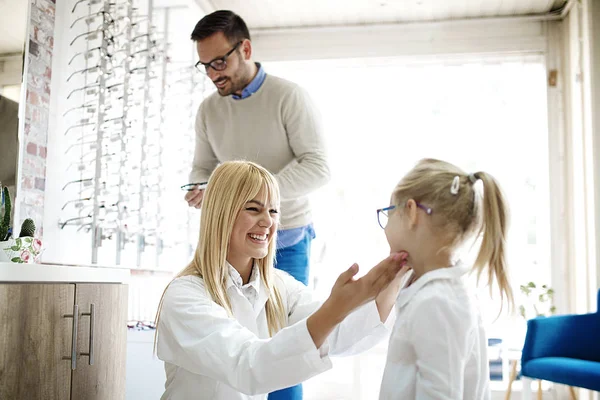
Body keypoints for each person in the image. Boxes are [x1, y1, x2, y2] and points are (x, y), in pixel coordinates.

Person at [158, 160, 409, 400]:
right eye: (253, 209)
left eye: (273, 211)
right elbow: (248, 366)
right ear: (221, 213)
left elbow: (339, 335)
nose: (268, 222)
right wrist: (337, 307)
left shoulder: (279, 287)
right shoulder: (185, 296)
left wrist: (397, 270)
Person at [184, 11, 328, 296]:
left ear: (245, 49)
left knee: (285, 325)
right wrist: (200, 187)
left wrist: (255, 195)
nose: (213, 74)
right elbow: (202, 167)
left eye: (220, 63)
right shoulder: (208, 110)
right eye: (205, 66)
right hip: (231, 240)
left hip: (287, 239)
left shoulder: (289, 97)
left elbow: (317, 167)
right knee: (235, 325)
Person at [376, 158, 514, 400]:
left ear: (410, 212)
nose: (385, 227)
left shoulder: (436, 303)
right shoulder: (436, 293)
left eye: (388, 213)